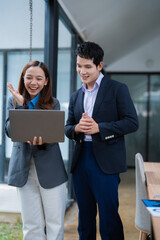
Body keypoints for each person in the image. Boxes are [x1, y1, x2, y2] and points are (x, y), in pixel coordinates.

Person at [65, 41, 139, 240]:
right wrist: (76, 129)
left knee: (109, 218)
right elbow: (67, 127)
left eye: (87, 66)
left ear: (99, 65)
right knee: (85, 218)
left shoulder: (117, 89)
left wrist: (101, 128)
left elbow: (132, 122)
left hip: (106, 162)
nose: (82, 71)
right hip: (81, 161)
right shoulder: (75, 96)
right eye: (79, 66)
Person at [5, 60, 68, 240]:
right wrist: (20, 104)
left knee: (54, 224)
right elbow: (10, 131)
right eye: (29, 77)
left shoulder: (53, 103)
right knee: (31, 225)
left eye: (39, 78)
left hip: (51, 170)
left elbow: (54, 133)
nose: (34, 82)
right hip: (23, 169)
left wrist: (27, 105)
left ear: (46, 81)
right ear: (23, 78)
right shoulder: (12, 100)